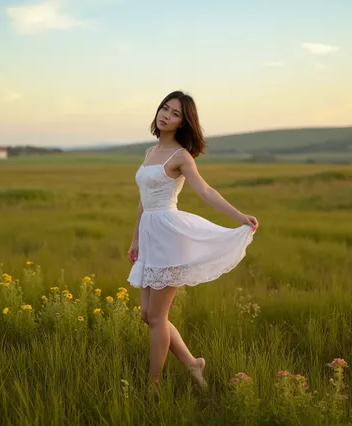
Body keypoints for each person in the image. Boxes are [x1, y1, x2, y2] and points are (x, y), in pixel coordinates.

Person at [126, 90, 259, 390]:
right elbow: (143, 201)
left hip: (170, 237)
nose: (166, 115)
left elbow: (205, 191)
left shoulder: (181, 157)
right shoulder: (149, 153)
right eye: (164, 108)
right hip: (150, 235)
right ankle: (193, 364)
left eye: (175, 114)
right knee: (148, 316)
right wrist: (135, 239)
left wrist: (240, 217)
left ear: (183, 123)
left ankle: (153, 384)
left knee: (158, 317)